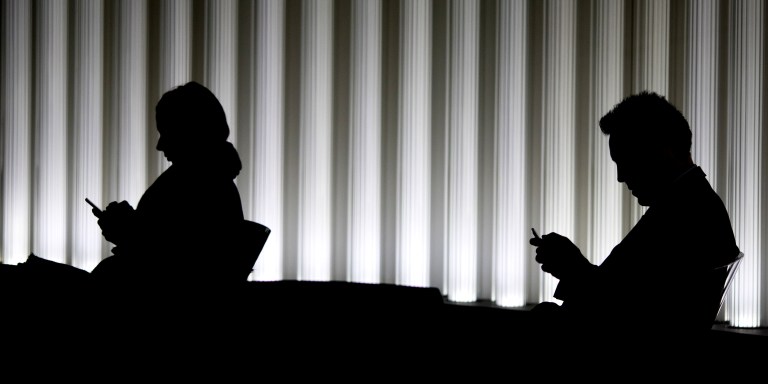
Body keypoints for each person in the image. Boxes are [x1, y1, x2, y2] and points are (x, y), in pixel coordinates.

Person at [529, 91, 740, 355]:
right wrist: (574, 266)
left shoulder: (678, 216)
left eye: (626, 161)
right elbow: (629, 293)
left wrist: (573, 267)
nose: (620, 177)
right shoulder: (693, 203)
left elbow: (624, 312)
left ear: (662, 151)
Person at [90, 81, 247, 293]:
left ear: (190, 132)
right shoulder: (209, 182)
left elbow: (173, 264)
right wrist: (131, 225)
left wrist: (128, 231)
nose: (159, 145)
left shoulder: (198, 185)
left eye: (167, 132)